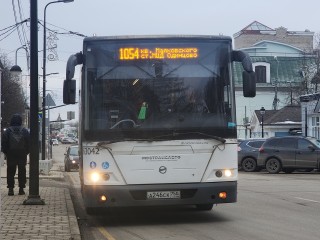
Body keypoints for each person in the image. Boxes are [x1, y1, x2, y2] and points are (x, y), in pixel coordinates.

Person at [1, 114, 30, 196]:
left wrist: (7, 153)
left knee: (10, 171)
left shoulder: (8, 131)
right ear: (20, 121)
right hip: (22, 154)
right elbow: (29, 143)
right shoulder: (24, 130)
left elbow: (4, 143)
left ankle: (10, 189)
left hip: (11, 154)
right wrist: (26, 152)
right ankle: (21, 189)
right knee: (22, 171)